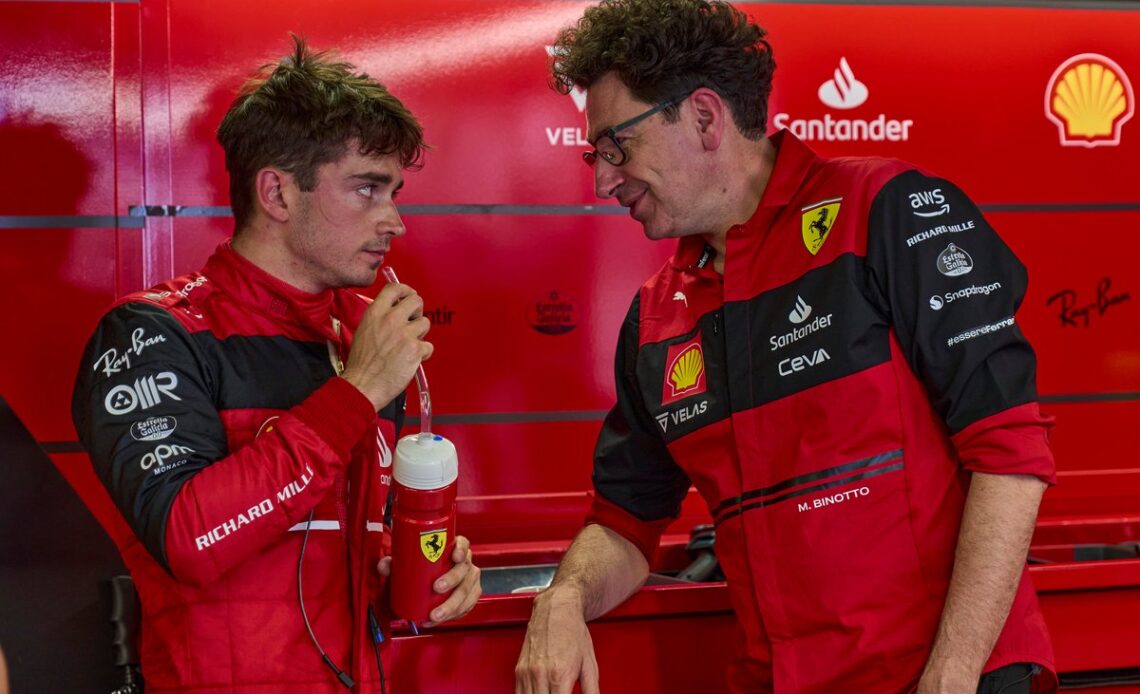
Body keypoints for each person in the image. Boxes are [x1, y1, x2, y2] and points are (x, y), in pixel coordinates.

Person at [515, 2, 1055, 693]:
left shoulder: (885, 213)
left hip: (947, 676)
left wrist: (952, 675)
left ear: (705, 118)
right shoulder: (655, 318)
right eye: (597, 155)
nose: (602, 179)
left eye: (617, 146)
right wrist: (562, 599)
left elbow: (1009, 451)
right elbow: (626, 522)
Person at [71, 37, 480, 693]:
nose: (394, 221)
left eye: (394, 191)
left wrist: (407, 569)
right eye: (367, 189)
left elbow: (329, 557)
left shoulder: (355, 338)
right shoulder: (154, 334)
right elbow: (190, 539)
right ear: (278, 193)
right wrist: (357, 393)